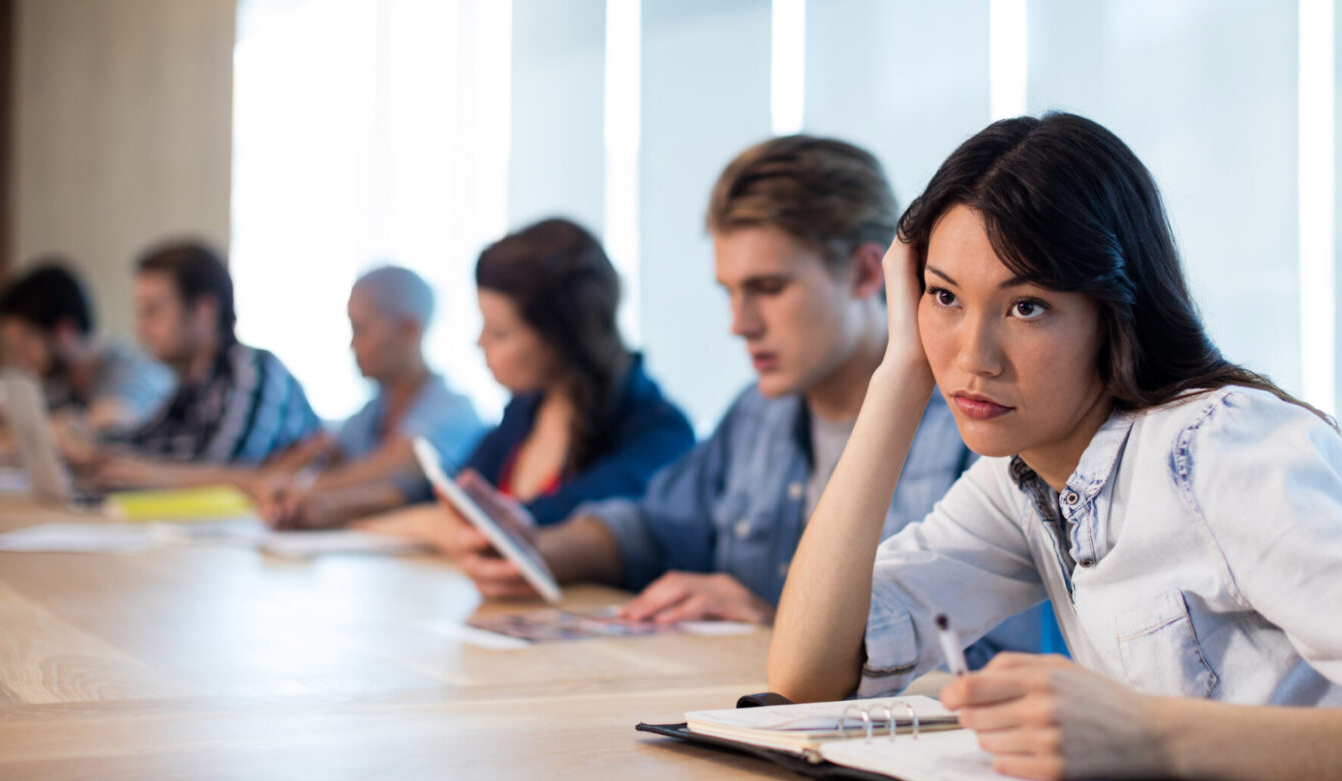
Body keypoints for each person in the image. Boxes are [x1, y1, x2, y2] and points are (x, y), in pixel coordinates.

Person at [766, 112, 1342, 781]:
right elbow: (807, 674)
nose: (971, 356)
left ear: (1114, 312)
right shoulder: (1027, 473)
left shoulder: (1222, 450)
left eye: (1027, 307)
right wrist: (898, 377)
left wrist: (1146, 735)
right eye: (944, 297)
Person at [450, 136, 1059, 667]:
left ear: (866, 274)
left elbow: (1005, 667)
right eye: (730, 292)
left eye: (768, 289)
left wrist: (783, 628)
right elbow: (656, 529)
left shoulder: (982, 426)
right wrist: (541, 550)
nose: (739, 324)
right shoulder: (758, 414)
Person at [358, 218, 695, 542]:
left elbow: (529, 525)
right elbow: (451, 500)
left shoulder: (659, 434)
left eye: (499, 334)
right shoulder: (524, 413)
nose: (480, 344)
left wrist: (430, 522)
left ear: (563, 337)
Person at [253, 266, 485, 529]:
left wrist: (297, 489)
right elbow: (324, 452)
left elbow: (400, 471)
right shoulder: (371, 413)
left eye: (361, 330)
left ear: (409, 329)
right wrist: (282, 478)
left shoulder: (454, 412)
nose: (352, 345)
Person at [93, 240, 320, 487]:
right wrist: (91, 449)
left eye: (152, 311)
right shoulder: (193, 384)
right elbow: (147, 444)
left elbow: (226, 469)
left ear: (204, 311)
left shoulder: (253, 370)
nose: (140, 328)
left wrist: (155, 474)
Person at [0, 262, 172, 452]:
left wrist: (25, 436)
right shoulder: (57, 382)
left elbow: (110, 423)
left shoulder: (135, 370)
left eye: (23, 344)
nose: (17, 358)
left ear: (65, 331)